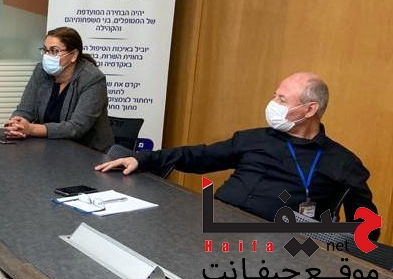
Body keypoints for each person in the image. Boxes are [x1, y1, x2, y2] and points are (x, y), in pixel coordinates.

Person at [95, 72, 377, 230]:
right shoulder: (253, 138)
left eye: (281, 99)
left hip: (278, 248)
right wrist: (141, 158)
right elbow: (199, 156)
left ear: (310, 109)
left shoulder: (343, 162)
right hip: (213, 226)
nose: (273, 103)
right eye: (274, 95)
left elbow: (366, 227)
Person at [4, 27, 113, 151]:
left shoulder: (92, 79)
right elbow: (25, 110)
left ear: (73, 55)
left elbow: (76, 128)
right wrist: (17, 124)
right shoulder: (41, 71)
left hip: (88, 152)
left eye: (54, 51)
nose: (47, 56)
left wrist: (31, 129)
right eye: (45, 50)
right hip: (49, 148)